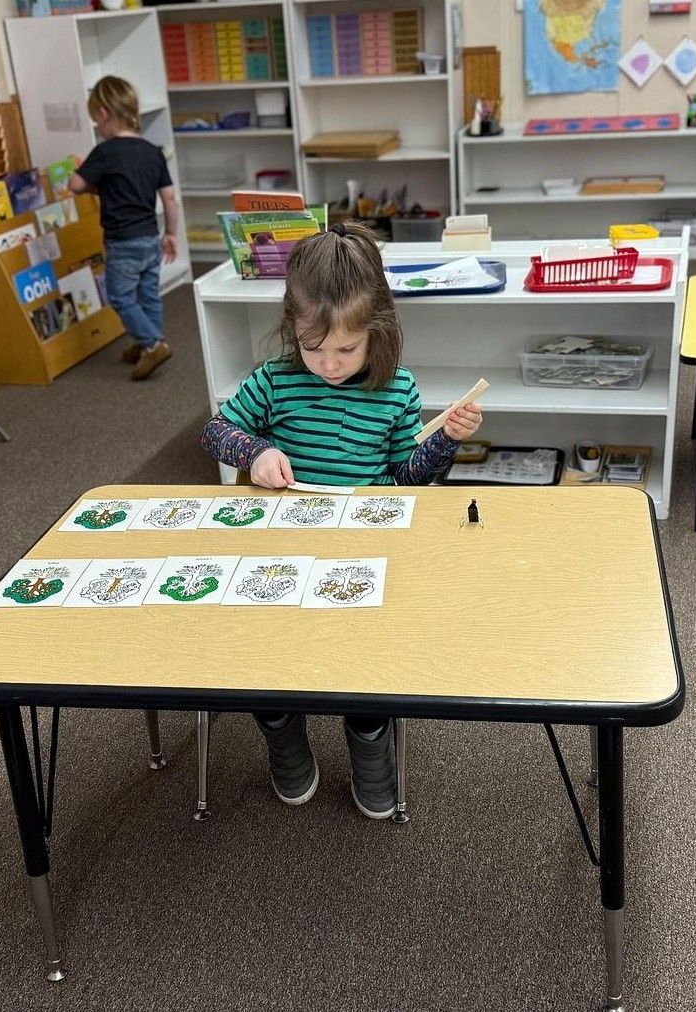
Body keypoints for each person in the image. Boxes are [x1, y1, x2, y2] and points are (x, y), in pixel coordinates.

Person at [200, 221, 483, 818]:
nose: (327, 364)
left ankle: (370, 745)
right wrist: (256, 453)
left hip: (365, 548)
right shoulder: (277, 381)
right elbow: (216, 429)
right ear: (293, 330)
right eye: (312, 347)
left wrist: (445, 443)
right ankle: (285, 738)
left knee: (363, 664)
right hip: (285, 546)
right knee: (271, 658)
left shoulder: (396, 389)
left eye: (346, 350)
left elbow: (408, 480)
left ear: (377, 334)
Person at [69, 76, 179, 381]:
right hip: (149, 237)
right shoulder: (152, 151)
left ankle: (153, 343)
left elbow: (76, 185)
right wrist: (170, 234)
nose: (98, 128)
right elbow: (169, 198)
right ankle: (148, 343)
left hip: (121, 242)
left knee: (119, 297)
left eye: (96, 122)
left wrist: (82, 171)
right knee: (148, 294)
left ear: (104, 114)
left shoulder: (105, 151)